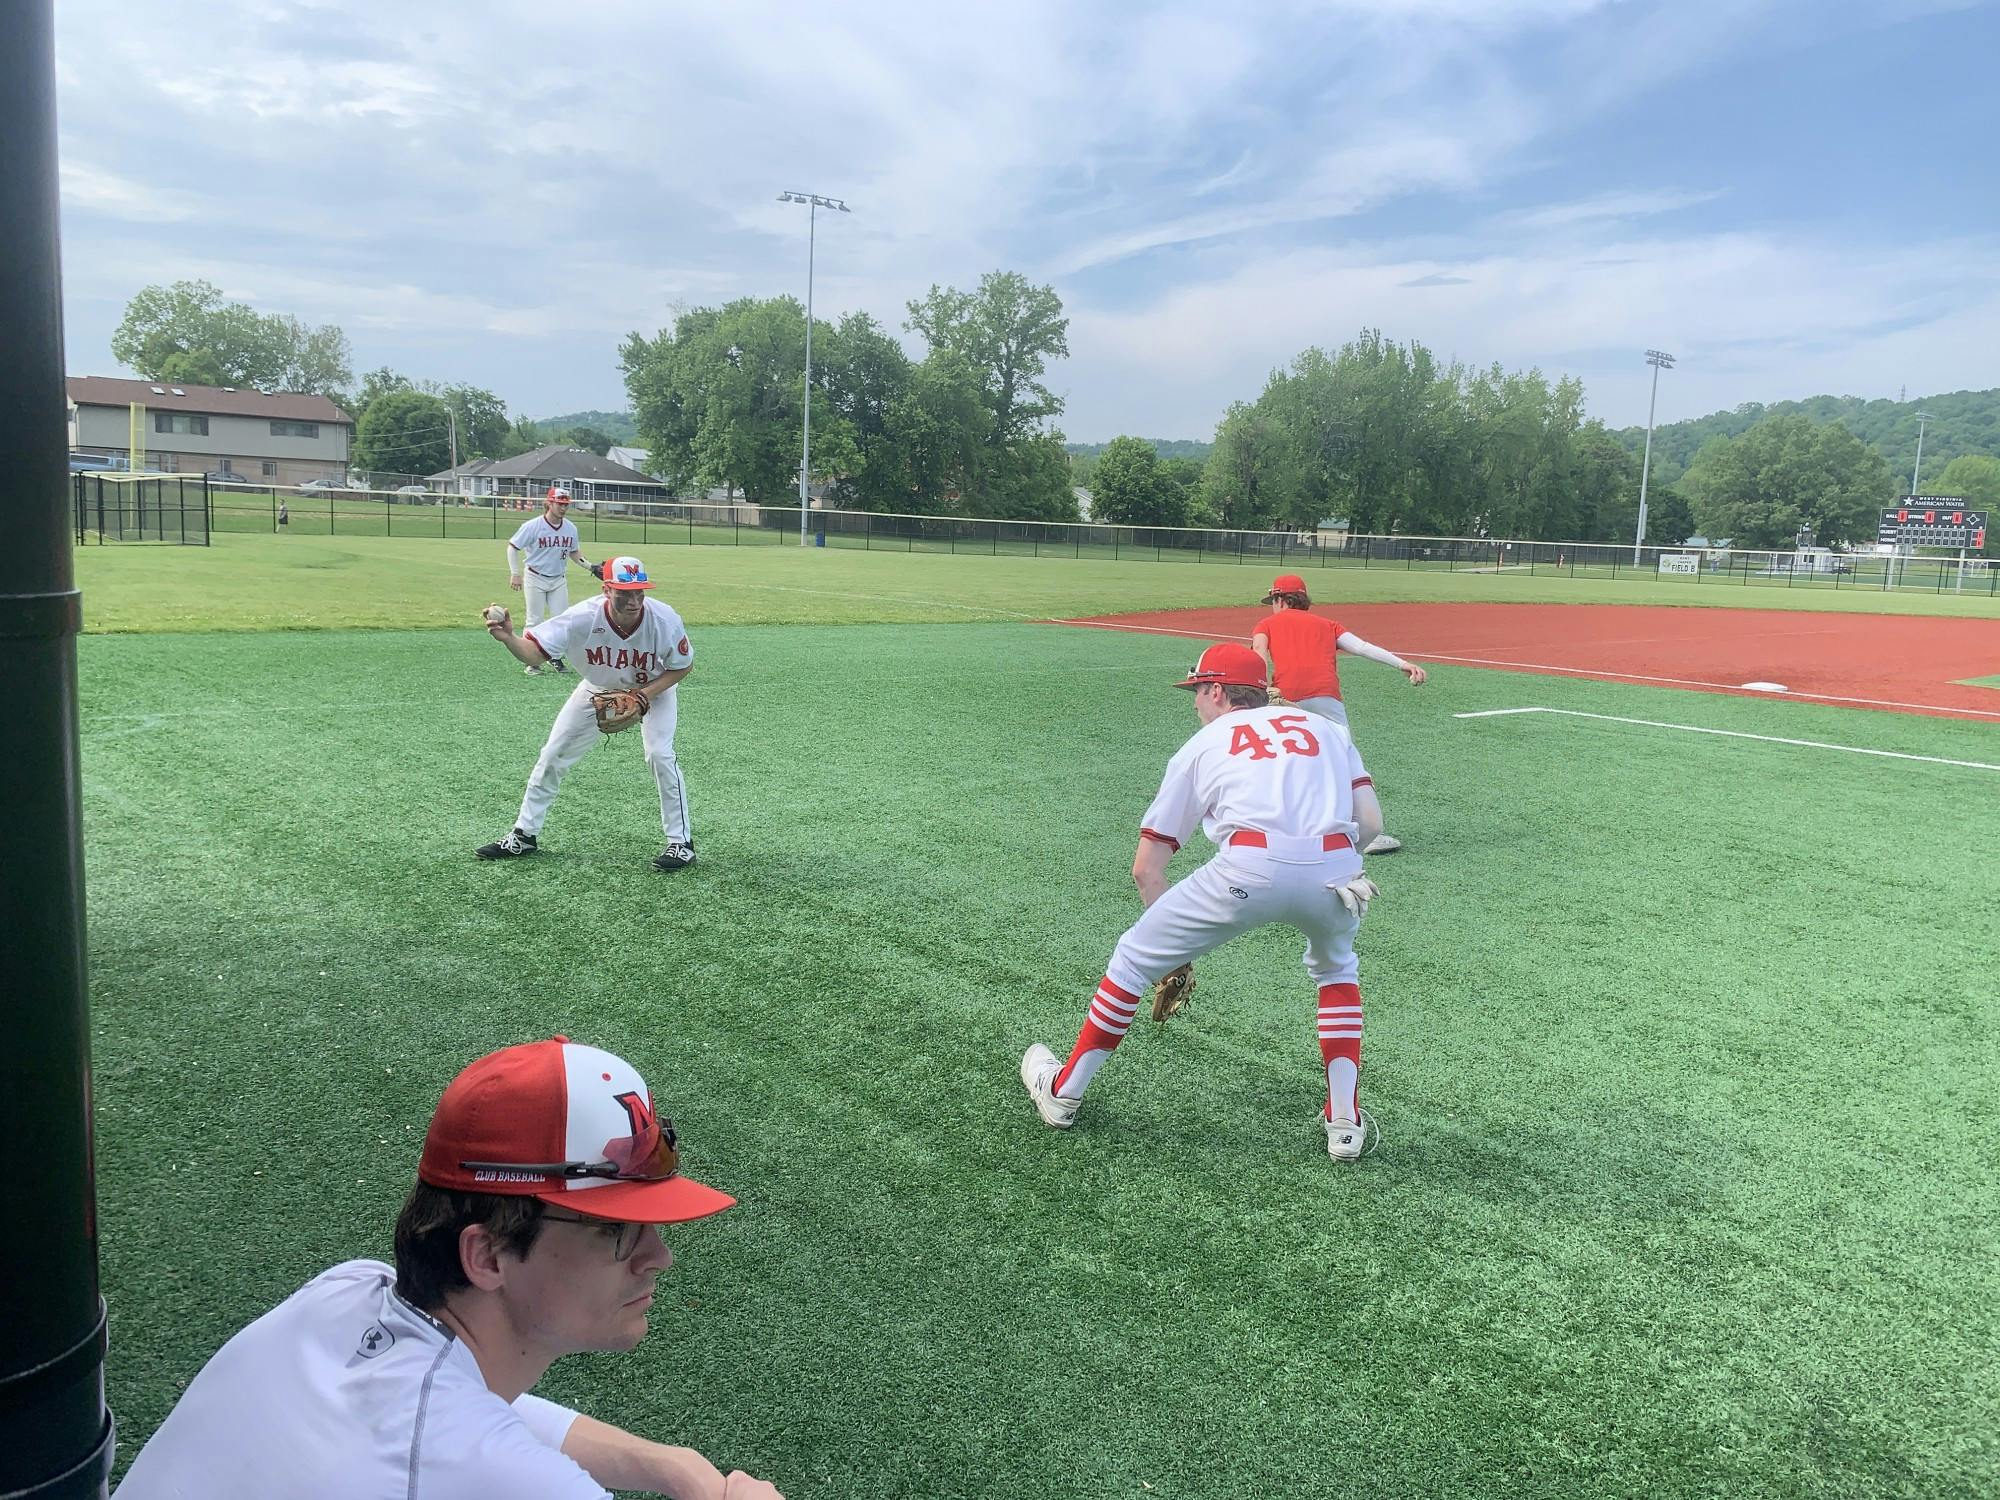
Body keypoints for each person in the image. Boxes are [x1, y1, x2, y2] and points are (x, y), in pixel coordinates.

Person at [115, 1037, 785, 1499]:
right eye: (615, 1230)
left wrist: (668, 1467)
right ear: (488, 1255)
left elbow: (479, 1418)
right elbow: (473, 1449)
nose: (657, 1257)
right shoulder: (514, 1482)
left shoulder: (346, 1292)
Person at [1020, 642, 1387, 1161]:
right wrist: (1325, 864)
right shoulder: (1325, 728)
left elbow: (1147, 867)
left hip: (1248, 868)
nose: (1195, 702)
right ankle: (1344, 1124)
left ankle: (1063, 1093)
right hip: (1336, 871)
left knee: (1130, 961)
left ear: (1218, 690)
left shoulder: (1202, 743)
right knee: (1336, 974)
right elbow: (1371, 824)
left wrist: (1173, 959)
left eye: (1197, 690)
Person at [477, 555, 698, 872]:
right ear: (607, 589)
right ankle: (524, 835)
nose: (634, 600)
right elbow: (534, 652)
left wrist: (642, 696)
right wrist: (509, 638)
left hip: (653, 688)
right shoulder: (581, 618)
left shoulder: (663, 620)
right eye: (625, 592)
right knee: (553, 753)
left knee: (660, 755)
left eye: (640, 592)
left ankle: (681, 844)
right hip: (597, 687)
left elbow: (682, 666)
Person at [1249, 573, 1426, 854]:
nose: (1272, 605)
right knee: (1345, 762)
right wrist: (1401, 664)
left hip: (1285, 698)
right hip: (1326, 697)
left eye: (1273, 599)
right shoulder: (1328, 625)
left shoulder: (1267, 624)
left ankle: (1278, 828)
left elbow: (1259, 652)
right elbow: (1363, 648)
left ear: (1281, 599)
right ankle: (1359, 830)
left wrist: (1260, 686)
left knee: (1282, 761)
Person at [507, 486, 599, 677]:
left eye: (566, 504)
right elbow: (512, 547)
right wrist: (515, 573)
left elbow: (574, 552)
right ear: (549, 503)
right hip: (535, 576)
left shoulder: (570, 528)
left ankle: (554, 656)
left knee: (561, 619)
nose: (563, 508)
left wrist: (591, 567)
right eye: (559, 503)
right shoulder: (533, 526)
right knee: (534, 619)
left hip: (558, 579)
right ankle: (531, 662)